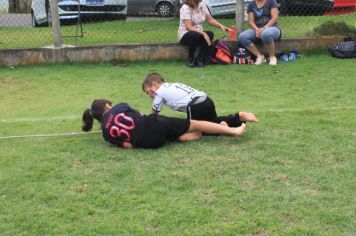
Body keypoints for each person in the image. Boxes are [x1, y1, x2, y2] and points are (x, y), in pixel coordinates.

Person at [82, 99, 247, 149]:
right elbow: (139, 115)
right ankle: (233, 131)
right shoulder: (119, 106)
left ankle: (180, 137)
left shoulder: (105, 133)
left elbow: (127, 146)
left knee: (164, 132)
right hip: (155, 125)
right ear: (107, 106)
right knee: (195, 123)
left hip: (151, 143)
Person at [142, 73, 258, 128]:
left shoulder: (160, 92)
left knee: (195, 128)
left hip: (195, 106)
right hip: (206, 99)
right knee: (212, 120)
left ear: (154, 84)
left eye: (148, 91)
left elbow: (154, 113)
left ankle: (221, 126)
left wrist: (145, 122)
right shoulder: (172, 85)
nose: (150, 95)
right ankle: (239, 117)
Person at [178, 0, 231, 68]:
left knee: (210, 34)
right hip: (185, 35)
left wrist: (221, 26)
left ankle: (200, 59)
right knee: (195, 35)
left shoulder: (202, 4)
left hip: (199, 34)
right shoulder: (185, 8)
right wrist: (203, 34)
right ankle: (190, 59)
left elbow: (210, 20)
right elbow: (189, 27)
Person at [238, 0, 281, 66]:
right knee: (242, 36)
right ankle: (260, 56)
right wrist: (256, 29)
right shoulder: (251, 4)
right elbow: (250, 21)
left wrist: (264, 28)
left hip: (272, 28)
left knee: (266, 34)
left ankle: (272, 57)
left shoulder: (272, 1)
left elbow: (274, 18)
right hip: (257, 29)